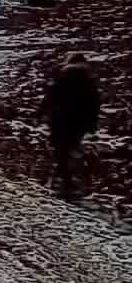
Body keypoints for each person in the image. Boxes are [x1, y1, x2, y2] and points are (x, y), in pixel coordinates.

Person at [41, 52, 101, 196]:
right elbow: (94, 104)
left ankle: (64, 182)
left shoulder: (62, 77)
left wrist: (41, 113)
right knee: (72, 148)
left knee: (60, 150)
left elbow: (50, 97)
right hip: (78, 122)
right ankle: (79, 182)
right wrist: (92, 124)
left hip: (59, 119)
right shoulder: (88, 81)